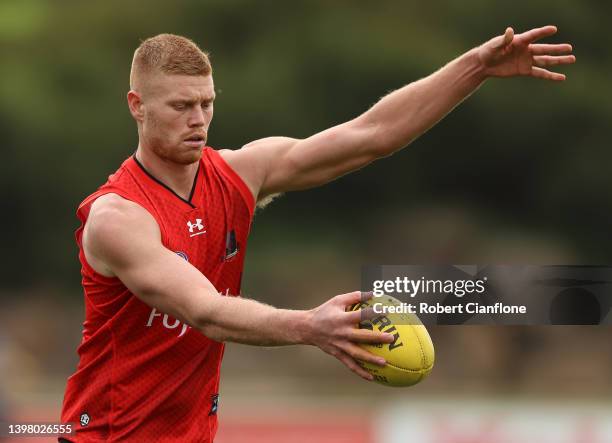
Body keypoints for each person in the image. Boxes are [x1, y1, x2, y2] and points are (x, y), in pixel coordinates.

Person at [59, 26, 575, 442]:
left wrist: (476, 67)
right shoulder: (118, 218)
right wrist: (310, 325)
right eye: (180, 107)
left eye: (207, 103)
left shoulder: (239, 173)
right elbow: (205, 310)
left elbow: (369, 135)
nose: (199, 120)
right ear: (137, 105)